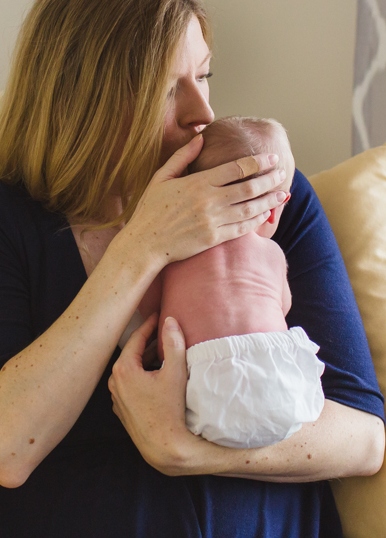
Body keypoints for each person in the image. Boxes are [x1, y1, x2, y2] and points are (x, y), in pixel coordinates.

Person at [0, 0, 385, 537]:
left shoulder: (261, 196)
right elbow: (6, 450)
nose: (203, 113)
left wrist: (188, 450)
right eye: (165, 89)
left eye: (202, 76)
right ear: (83, 102)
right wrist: (142, 247)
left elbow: (362, 438)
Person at [135, 116, 325, 450]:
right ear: (272, 211)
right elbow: (284, 306)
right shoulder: (272, 253)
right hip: (279, 382)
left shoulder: (174, 253)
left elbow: (149, 308)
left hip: (201, 379)